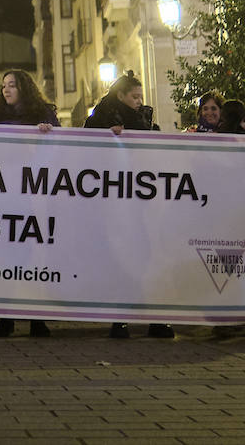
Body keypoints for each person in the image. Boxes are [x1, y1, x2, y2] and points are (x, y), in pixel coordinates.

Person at [84, 73, 173, 339]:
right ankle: (120, 319)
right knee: (122, 259)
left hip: (144, 200)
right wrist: (106, 138)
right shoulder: (98, 121)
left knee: (150, 257)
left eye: (140, 97)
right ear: (121, 96)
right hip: (114, 202)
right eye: (134, 97)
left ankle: (156, 318)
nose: (138, 102)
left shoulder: (145, 120)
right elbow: (84, 152)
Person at [0, 70, 57, 338]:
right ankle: (6, 317)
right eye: (3, 85)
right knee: (7, 259)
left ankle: (38, 318)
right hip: (6, 198)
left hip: (37, 196)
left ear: (24, 88)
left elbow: (61, 149)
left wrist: (48, 135)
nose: (6, 90)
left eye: (12, 85)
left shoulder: (44, 115)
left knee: (35, 258)